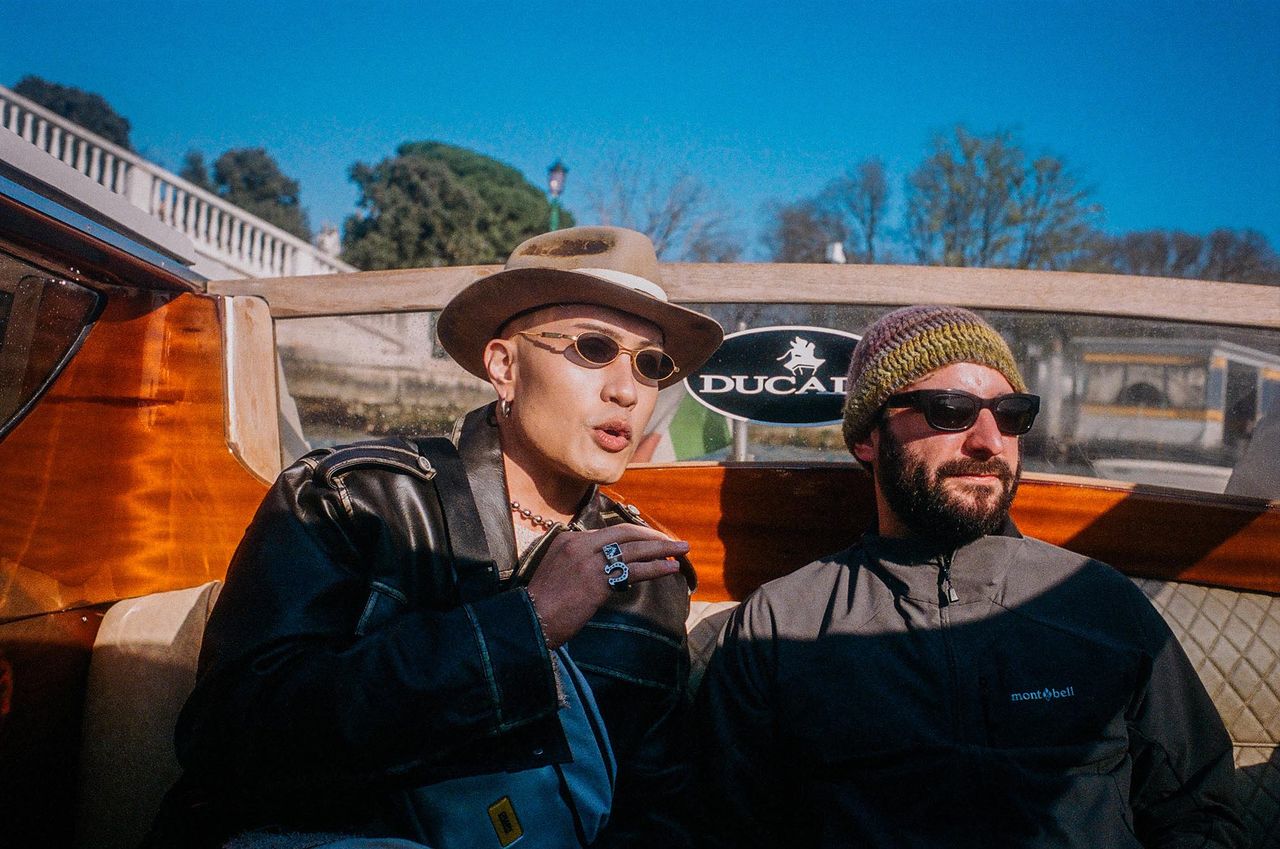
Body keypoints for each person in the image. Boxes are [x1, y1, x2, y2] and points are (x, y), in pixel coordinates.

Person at [147, 226, 723, 848]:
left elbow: (654, 807)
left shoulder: (647, 580)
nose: (627, 391)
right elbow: (233, 738)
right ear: (504, 366)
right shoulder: (352, 500)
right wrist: (528, 625)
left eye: (650, 364)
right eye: (593, 348)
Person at [697, 305, 1246, 848]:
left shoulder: (1098, 603)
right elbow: (720, 830)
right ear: (868, 437)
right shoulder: (782, 626)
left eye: (1011, 414)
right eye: (950, 410)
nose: (989, 441)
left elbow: (1200, 813)